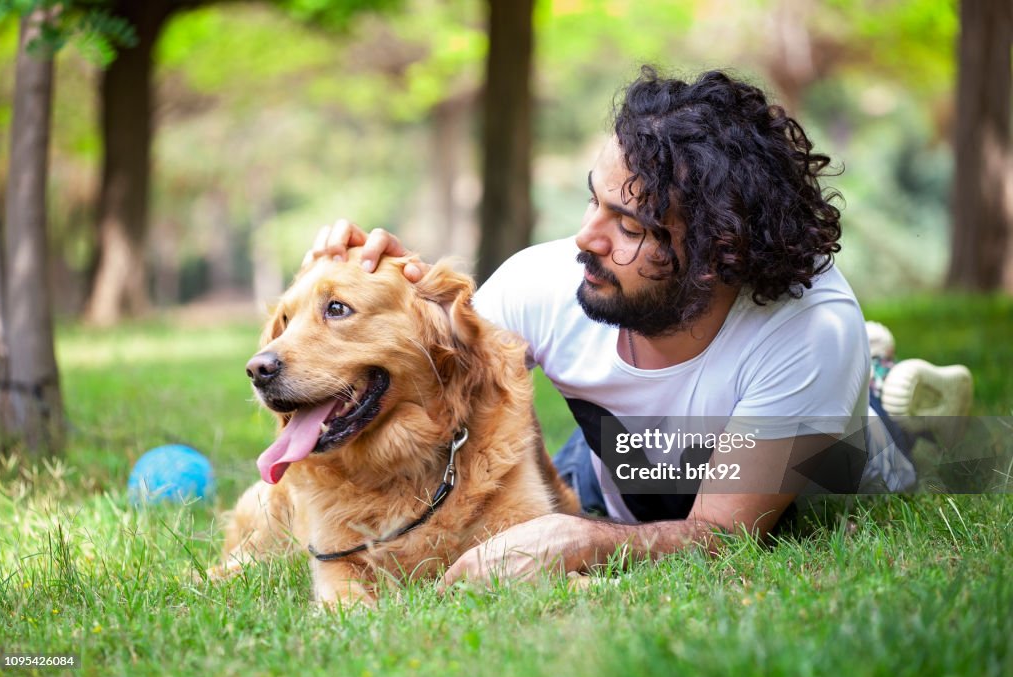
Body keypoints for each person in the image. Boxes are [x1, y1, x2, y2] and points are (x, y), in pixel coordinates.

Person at [305, 67, 971, 586]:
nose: (585, 239)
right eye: (595, 200)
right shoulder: (548, 282)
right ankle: (866, 373)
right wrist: (389, 289)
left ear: (721, 254)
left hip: (826, 473)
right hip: (622, 470)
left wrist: (586, 542)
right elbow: (441, 361)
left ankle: (877, 390)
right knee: (601, 470)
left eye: (629, 225)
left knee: (850, 431)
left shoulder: (807, 333)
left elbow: (724, 536)